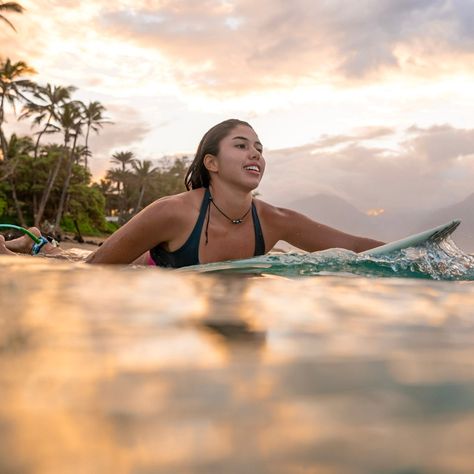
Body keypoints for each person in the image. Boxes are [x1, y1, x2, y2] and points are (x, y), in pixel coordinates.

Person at [0, 119, 383, 266]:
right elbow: (96, 268)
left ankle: (37, 241)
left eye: (260, 148)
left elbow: (354, 246)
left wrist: (425, 254)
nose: (255, 153)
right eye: (241, 145)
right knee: (66, 260)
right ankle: (36, 244)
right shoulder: (173, 212)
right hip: (140, 269)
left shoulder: (275, 220)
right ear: (211, 163)